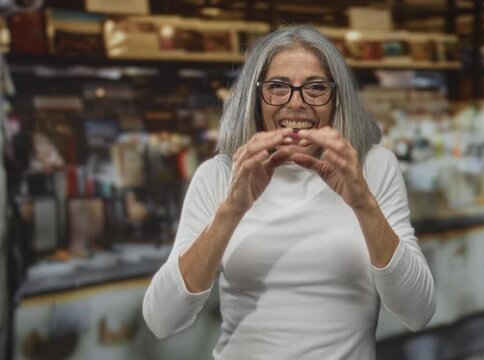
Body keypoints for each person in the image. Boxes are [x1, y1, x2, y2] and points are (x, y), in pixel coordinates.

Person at [142, 25, 435, 359]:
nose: (296, 104)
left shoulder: (373, 167)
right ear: (255, 96)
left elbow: (418, 311)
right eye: (278, 87)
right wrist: (231, 210)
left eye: (315, 88)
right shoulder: (220, 174)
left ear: (336, 97)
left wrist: (363, 204)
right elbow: (161, 320)